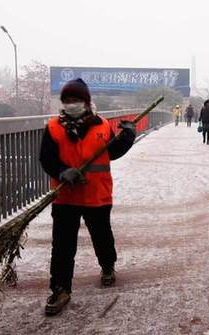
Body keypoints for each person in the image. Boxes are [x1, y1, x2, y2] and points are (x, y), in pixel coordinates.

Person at [39, 78, 136, 316]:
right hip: (66, 196)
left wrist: (127, 138)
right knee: (62, 246)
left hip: (97, 194)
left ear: (86, 101)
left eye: (76, 100)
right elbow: (47, 158)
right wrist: (63, 171)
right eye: (67, 100)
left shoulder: (102, 125)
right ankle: (60, 288)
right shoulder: (53, 127)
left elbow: (111, 152)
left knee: (102, 235)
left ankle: (107, 266)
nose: (71, 104)